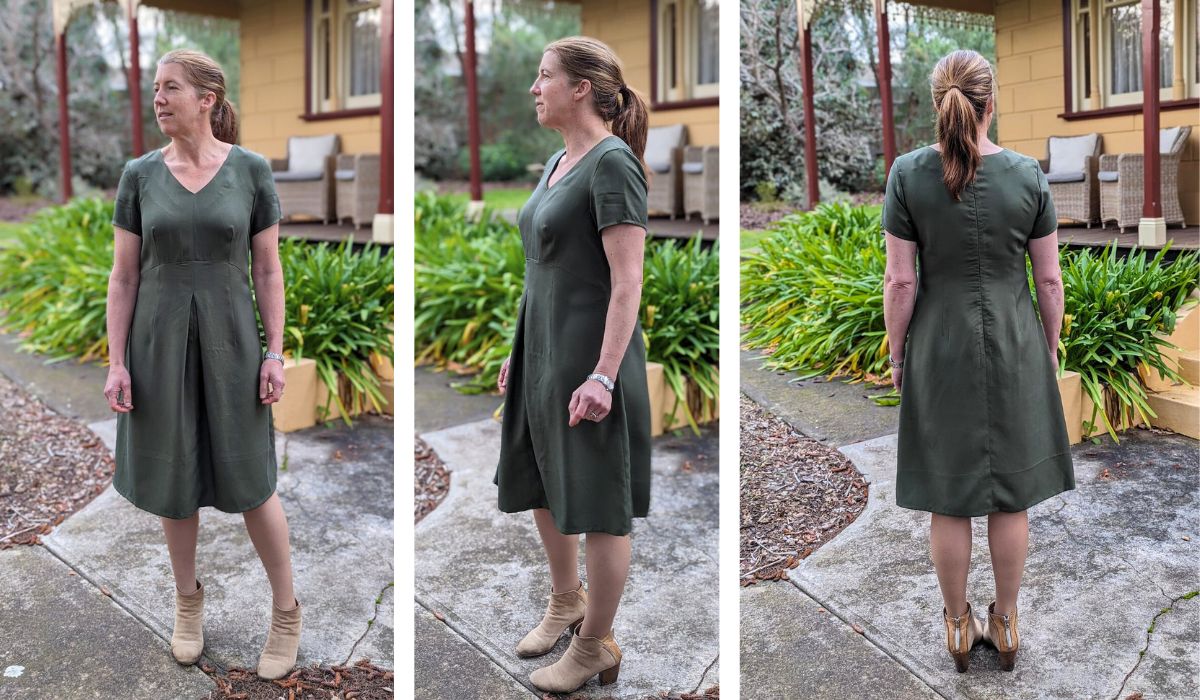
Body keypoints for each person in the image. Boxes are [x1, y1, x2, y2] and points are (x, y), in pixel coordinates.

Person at [103, 49, 302, 680]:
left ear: (207, 98)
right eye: (155, 89)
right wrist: (117, 363)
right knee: (173, 475)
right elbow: (124, 275)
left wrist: (276, 351)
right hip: (156, 344)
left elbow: (267, 270)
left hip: (232, 342)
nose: (158, 99)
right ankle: (188, 604)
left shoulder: (250, 171)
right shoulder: (138, 174)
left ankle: (286, 609)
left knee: (252, 480)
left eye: (170, 89)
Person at [881, 49, 1075, 674]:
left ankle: (958, 625)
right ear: (992, 103)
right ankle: (1008, 621)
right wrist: (1047, 345)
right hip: (1014, 346)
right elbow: (1049, 282)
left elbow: (901, 282)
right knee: (1010, 494)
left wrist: (895, 351)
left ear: (938, 102)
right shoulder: (1028, 174)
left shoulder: (908, 175)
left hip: (939, 348)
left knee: (950, 495)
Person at [493, 35, 652, 693]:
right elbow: (541, 270)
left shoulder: (613, 163)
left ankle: (595, 645)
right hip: (543, 351)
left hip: (590, 359)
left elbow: (627, 282)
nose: (534, 88)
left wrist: (603, 374)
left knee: (600, 502)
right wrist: (516, 350)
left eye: (544, 76)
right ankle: (566, 599)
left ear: (580, 87)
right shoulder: (561, 160)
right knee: (541, 481)